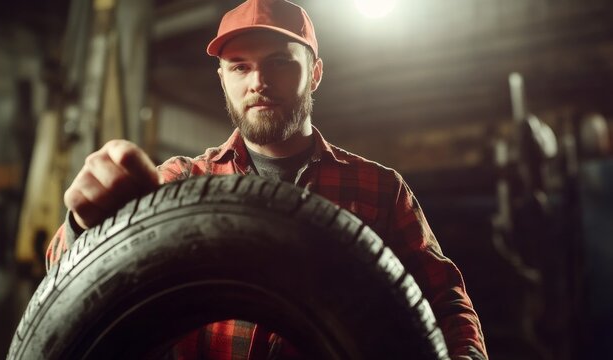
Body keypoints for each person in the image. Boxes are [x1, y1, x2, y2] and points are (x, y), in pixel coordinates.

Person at [46, 0, 488, 358]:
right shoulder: (179, 183)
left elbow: (446, 304)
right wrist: (86, 223)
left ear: (314, 73)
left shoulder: (381, 190)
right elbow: (68, 279)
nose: (258, 81)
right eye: (239, 66)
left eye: (279, 63)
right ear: (222, 80)